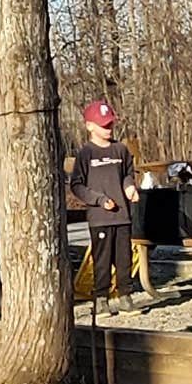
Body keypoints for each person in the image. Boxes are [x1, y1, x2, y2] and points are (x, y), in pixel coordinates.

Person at [71, 99, 140, 302]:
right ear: (90, 126)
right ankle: (101, 297)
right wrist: (99, 200)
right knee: (102, 260)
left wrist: (129, 187)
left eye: (111, 123)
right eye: (104, 125)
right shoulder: (86, 154)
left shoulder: (121, 150)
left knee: (124, 258)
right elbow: (77, 185)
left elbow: (128, 173)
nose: (109, 128)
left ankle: (125, 295)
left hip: (122, 217)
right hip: (100, 218)